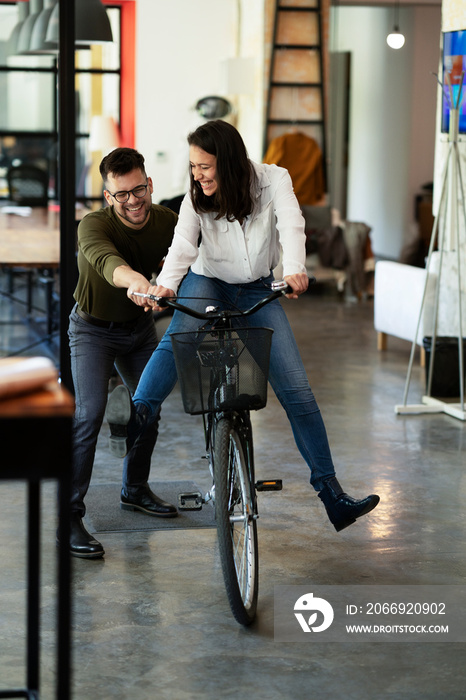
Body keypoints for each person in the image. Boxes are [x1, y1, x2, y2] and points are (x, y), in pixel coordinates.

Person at [105, 121, 380, 533]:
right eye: (193, 165)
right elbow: (183, 245)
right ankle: (137, 416)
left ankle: (332, 495)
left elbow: (292, 225)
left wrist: (296, 270)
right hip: (207, 280)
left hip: (256, 288)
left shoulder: (274, 180)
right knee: (179, 340)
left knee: (297, 391)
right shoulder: (197, 196)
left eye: (204, 166)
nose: (196, 174)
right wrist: (165, 287)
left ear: (228, 160)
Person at [65, 147, 179, 560]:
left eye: (138, 190)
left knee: (148, 406)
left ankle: (134, 488)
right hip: (92, 330)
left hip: (138, 331)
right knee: (88, 414)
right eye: (120, 194)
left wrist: (169, 279)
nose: (132, 201)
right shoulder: (93, 224)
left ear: (149, 184)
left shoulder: (168, 221)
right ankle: (70, 516)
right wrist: (138, 282)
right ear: (107, 195)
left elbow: (186, 256)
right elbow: (109, 262)